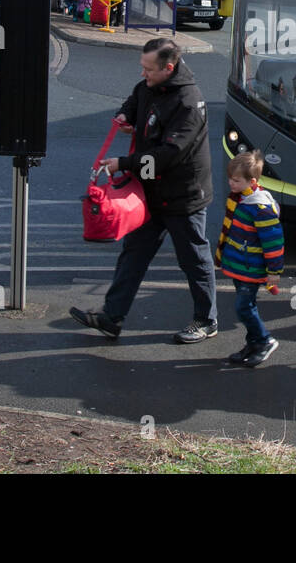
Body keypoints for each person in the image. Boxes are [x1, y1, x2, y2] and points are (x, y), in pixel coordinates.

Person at [69, 38, 217, 344]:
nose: (143, 73)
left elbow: (169, 154)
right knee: (134, 254)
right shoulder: (151, 86)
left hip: (183, 195)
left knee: (193, 259)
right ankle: (112, 317)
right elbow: (136, 98)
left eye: (148, 69)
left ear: (169, 68)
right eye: (142, 67)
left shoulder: (188, 102)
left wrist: (122, 163)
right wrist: (125, 115)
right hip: (151, 192)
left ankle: (207, 320)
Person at [215, 150, 284, 367]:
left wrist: (274, 272)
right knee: (247, 306)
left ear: (252, 181)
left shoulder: (260, 208)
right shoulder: (239, 198)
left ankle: (264, 340)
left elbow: (273, 243)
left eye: (236, 180)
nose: (230, 183)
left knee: (243, 308)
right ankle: (253, 343)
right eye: (230, 178)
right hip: (241, 265)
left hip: (251, 268)